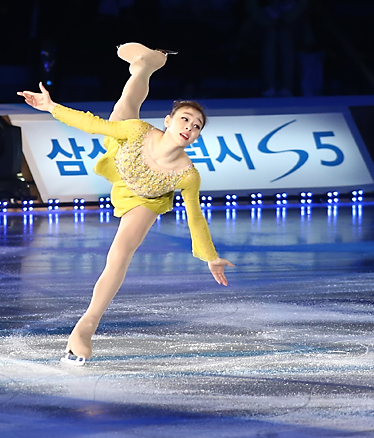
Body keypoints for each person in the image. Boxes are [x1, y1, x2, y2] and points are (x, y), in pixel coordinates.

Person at [19, 43, 234, 365]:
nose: (189, 127)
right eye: (185, 119)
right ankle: (145, 65)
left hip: (145, 198)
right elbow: (92, 124)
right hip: (124, 155)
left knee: (119, 254)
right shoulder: (137, 132)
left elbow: (196, 219)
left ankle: (85, 328)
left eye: (196, 126)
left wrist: (210, 257)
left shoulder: (187, 174)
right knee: (125, 107)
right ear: (168, 120)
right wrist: (52, 107)